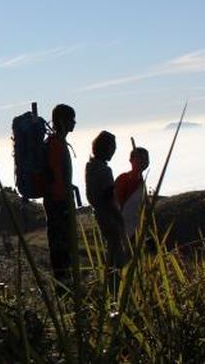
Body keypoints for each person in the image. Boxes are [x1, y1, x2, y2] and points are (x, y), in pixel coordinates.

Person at [43, 104, 77, 286]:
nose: (74, 123)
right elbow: (56, 175)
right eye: (71, 119)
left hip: (56, 201)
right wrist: (64, 199)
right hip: (59, 203)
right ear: (63, 121)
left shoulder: (54, 142)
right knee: (61, 248)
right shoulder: (56, 144)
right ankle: (64, 287)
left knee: (61, 248)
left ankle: (64, 285)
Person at [85, 131, 126, 283]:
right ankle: (117, 288)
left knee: (110, 254)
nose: (114, 151)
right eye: (113, 147)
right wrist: (120, 218)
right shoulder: (104, 170)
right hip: (109, 217)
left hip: (100, 215)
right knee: (117, 256)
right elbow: (109, 198)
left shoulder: (90, 166)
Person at [114, 147, 150, 240]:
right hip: (126, 228)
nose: (144, 161)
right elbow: (117, 203)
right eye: (140, 158)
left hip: (139, 227)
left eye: (146, 159)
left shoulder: (141, 181)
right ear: (131, 160)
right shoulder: (123, 178)